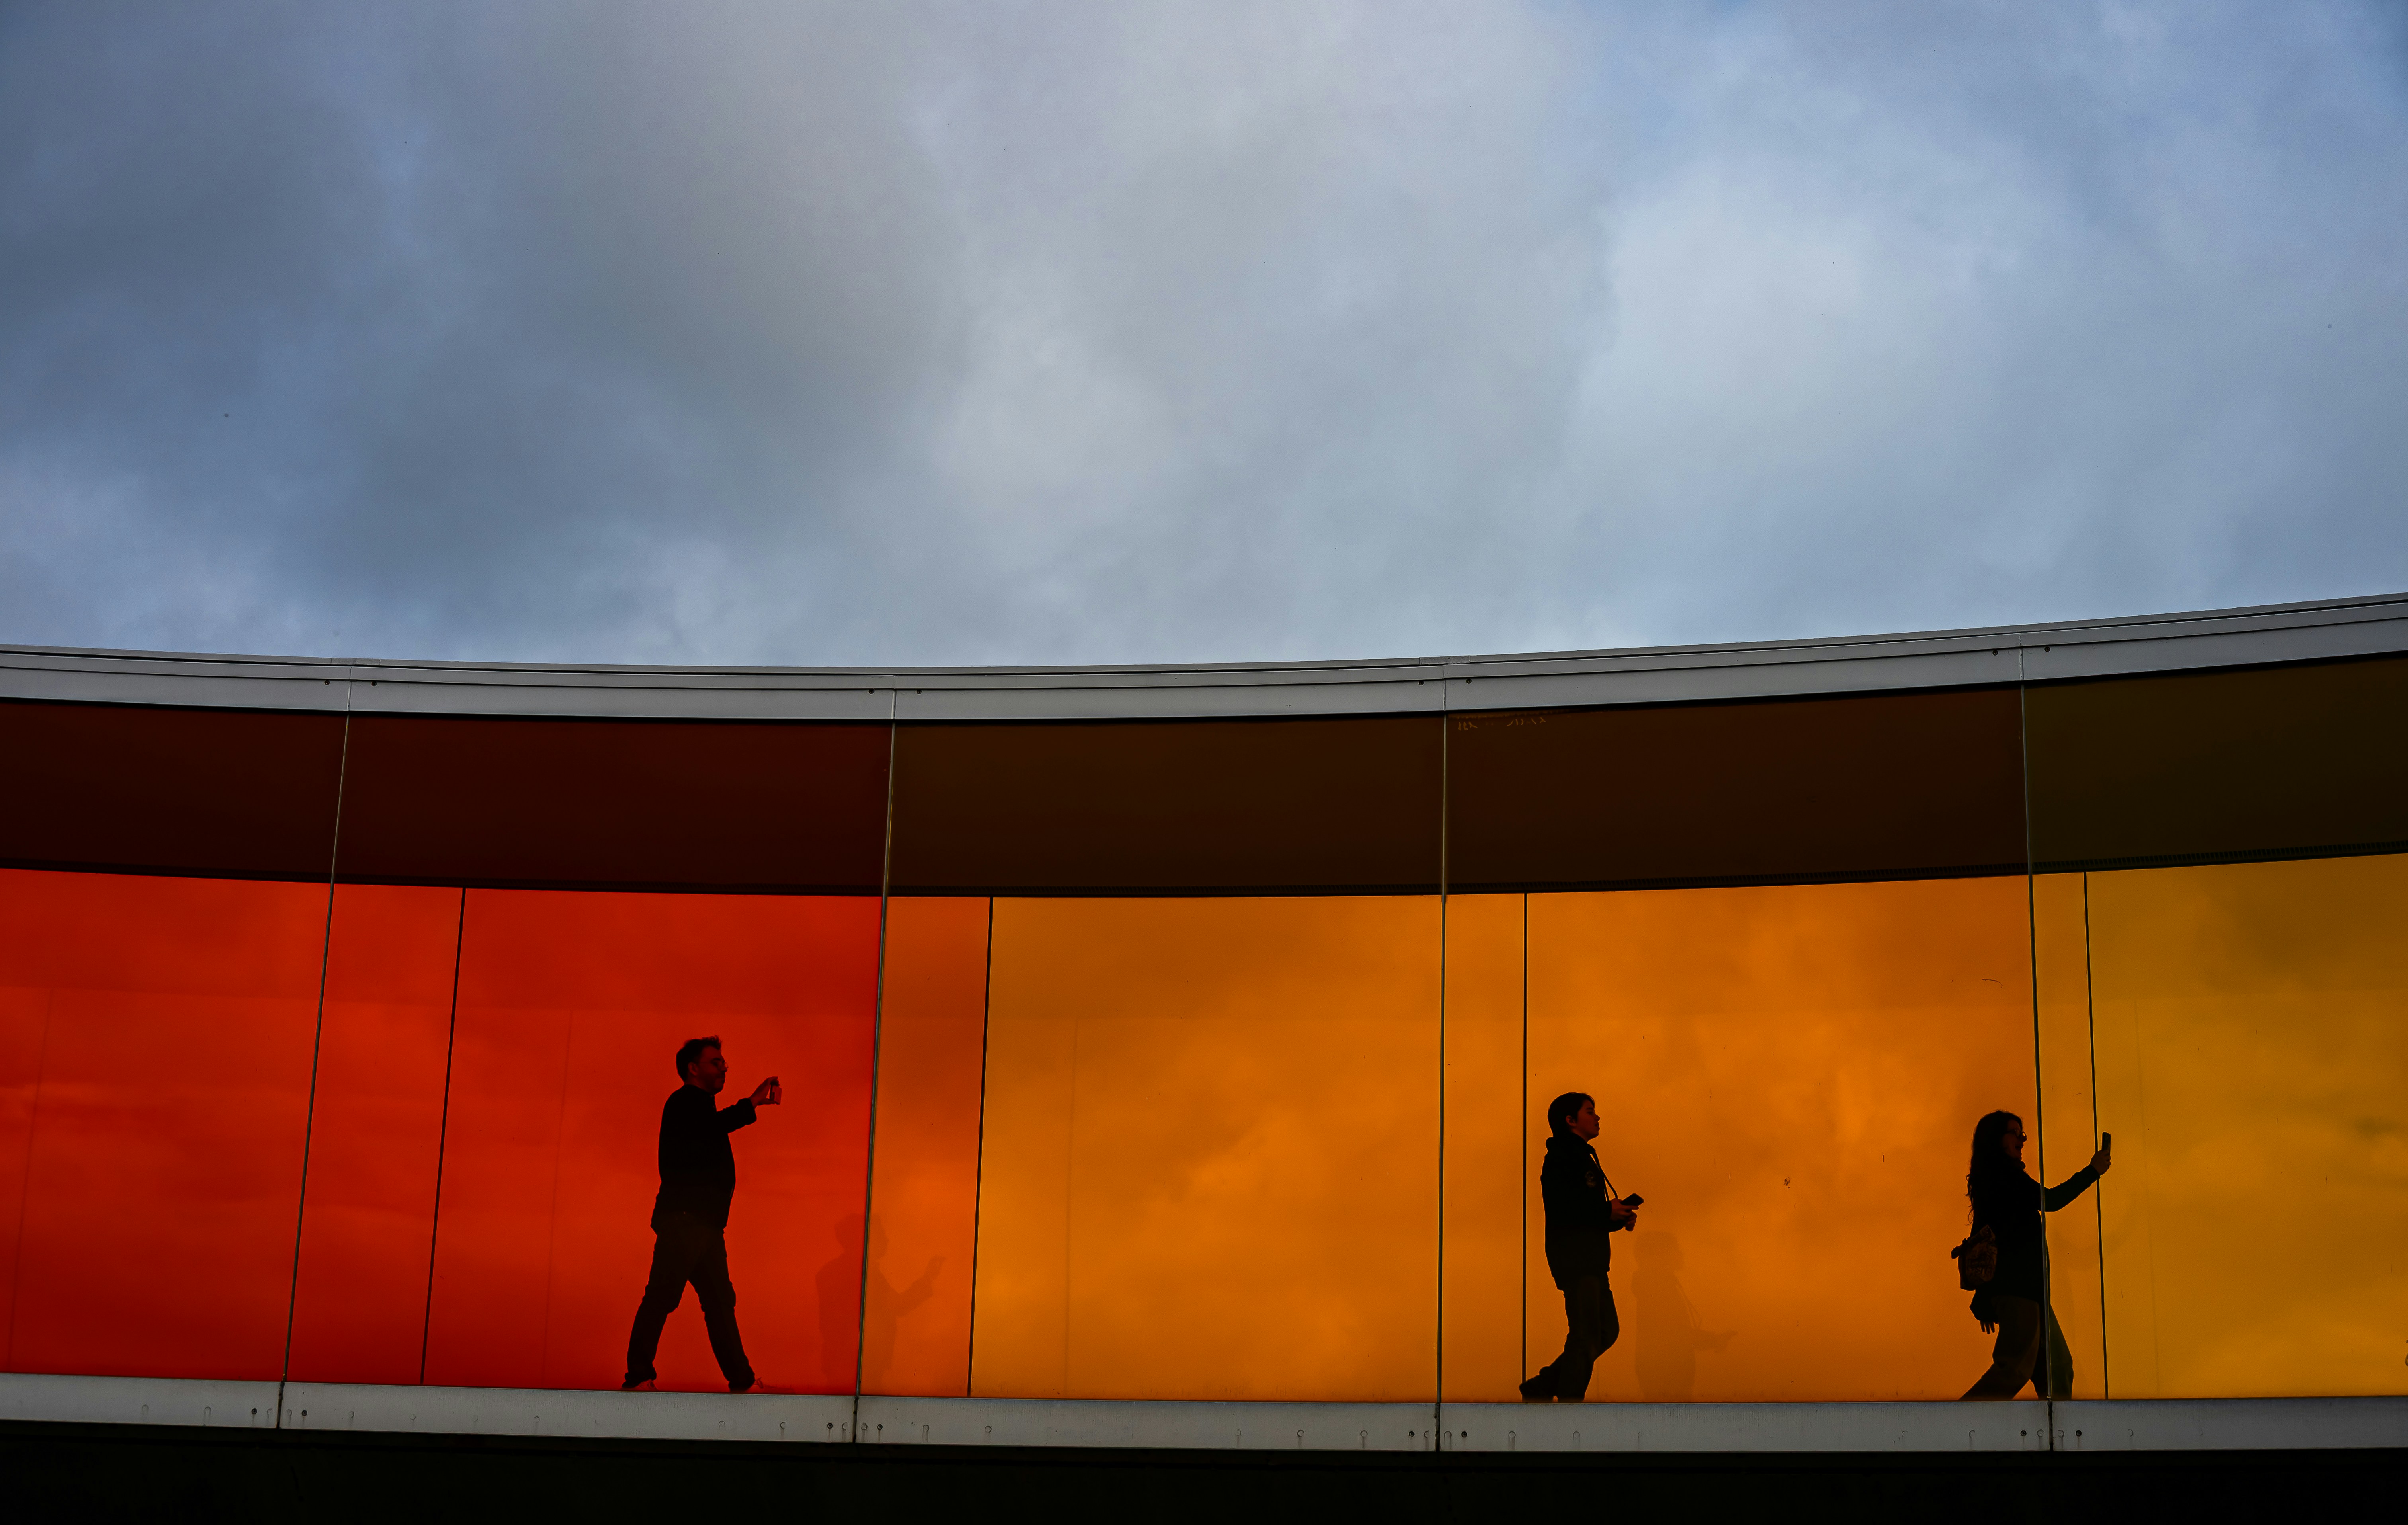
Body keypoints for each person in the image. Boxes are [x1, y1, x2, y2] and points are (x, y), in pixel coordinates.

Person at [622, 1036, 781, 1392]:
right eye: (716, 1062)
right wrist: (752, 1103)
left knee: (718, 1303)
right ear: (693, 1068)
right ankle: (638, 1377)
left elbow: (708, 1132)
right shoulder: (686, 1102)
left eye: (723, 1062)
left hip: (703, 1224)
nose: (724, 1067)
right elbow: (712, 1128)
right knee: (672, 1297)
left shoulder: (696, 1106)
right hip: (688, 1221)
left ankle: (741, 1380)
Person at [1960, 1109, 2109, 1400]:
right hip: (2019, 1292)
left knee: (2058, 1368)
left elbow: (1983, 1241)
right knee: (2015, 1368)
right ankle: (1960, 1421)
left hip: (2031, 1294)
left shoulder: (1997, 1180)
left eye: (2022, 1134)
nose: (2022, 1139)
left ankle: (2059, 1432)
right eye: (2014, 1133)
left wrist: (1984, 1297)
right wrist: (2093, 1171)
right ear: (1997, 1140)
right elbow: (2051, 1200)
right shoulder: (2007, 1178)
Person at [1520, 1091, 1638, 1402]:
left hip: (1591, 1259)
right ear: (1571, 1120)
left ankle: (1544, 1386)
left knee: (1604, 1331)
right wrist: (1606, 1213)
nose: (1597, 1117)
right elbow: (1564, 1210)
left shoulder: (1579, 1155)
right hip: (1577, 1259)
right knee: (1587, 1333)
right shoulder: (1561, 1158)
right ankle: (1569, 1401)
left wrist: (1614, 1218)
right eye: (1590, 1111)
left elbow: (1581, 1211)